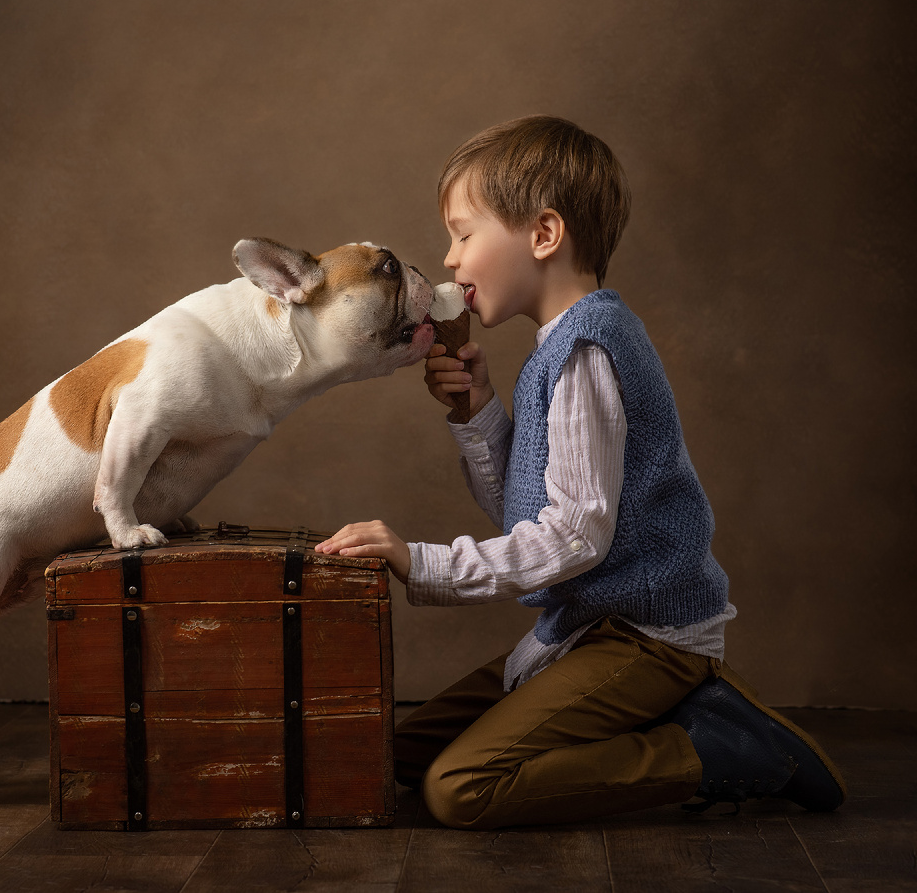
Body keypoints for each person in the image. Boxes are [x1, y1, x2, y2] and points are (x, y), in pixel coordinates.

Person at [314, 116, 845, 829]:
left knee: (460, 787)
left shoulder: (585, 352)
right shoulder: (558, 348)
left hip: (645, 637)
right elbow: (531, 512)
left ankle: (714, 751)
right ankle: (659, 718)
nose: (449, 258)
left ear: (543, 234)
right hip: (585, 627)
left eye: (464, 234)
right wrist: (478, 412)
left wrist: (422, 562)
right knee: (398, 755)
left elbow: (573, 538)